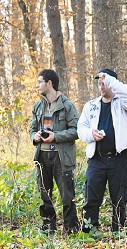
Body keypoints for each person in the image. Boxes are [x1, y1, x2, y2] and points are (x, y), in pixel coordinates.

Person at [77, 68, 127, 233]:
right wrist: (91, 134)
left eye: (104, 83)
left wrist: (111, 81)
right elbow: (80, 128)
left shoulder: (123, 103)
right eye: (99, 83)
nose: (101, 86)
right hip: (96, 159)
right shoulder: (91, 106)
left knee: (119, 198)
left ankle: (118, 232)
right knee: (91, 198)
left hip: (118, 159)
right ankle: (89, 232)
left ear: (112, 84)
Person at [29, 69, 80, 235]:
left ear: (49, 83)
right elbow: (31, 129)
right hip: (42, 157)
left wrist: (55, 137)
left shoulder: (67, 105)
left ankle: (71, 229)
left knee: (67, 195)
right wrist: (35, 136)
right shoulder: (38, 106)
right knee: (45, 194)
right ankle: (48, 228)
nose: (37, 85)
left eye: (40, 82)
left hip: (61, 157)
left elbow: (76, 130)